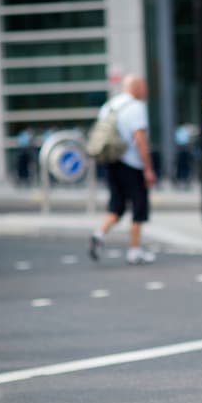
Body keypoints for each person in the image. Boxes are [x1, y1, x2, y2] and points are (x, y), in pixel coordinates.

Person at [89, 74, 157, 265]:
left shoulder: (110, 105)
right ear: (136, 87)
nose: (146, 90)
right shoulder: (136, 107)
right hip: (131, 163)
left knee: (117, 204)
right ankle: (134, 250)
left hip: (112, 161)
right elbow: (140, 140)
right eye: (143, 86)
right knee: (139, 205)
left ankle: (99, 234)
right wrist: (148, 168)